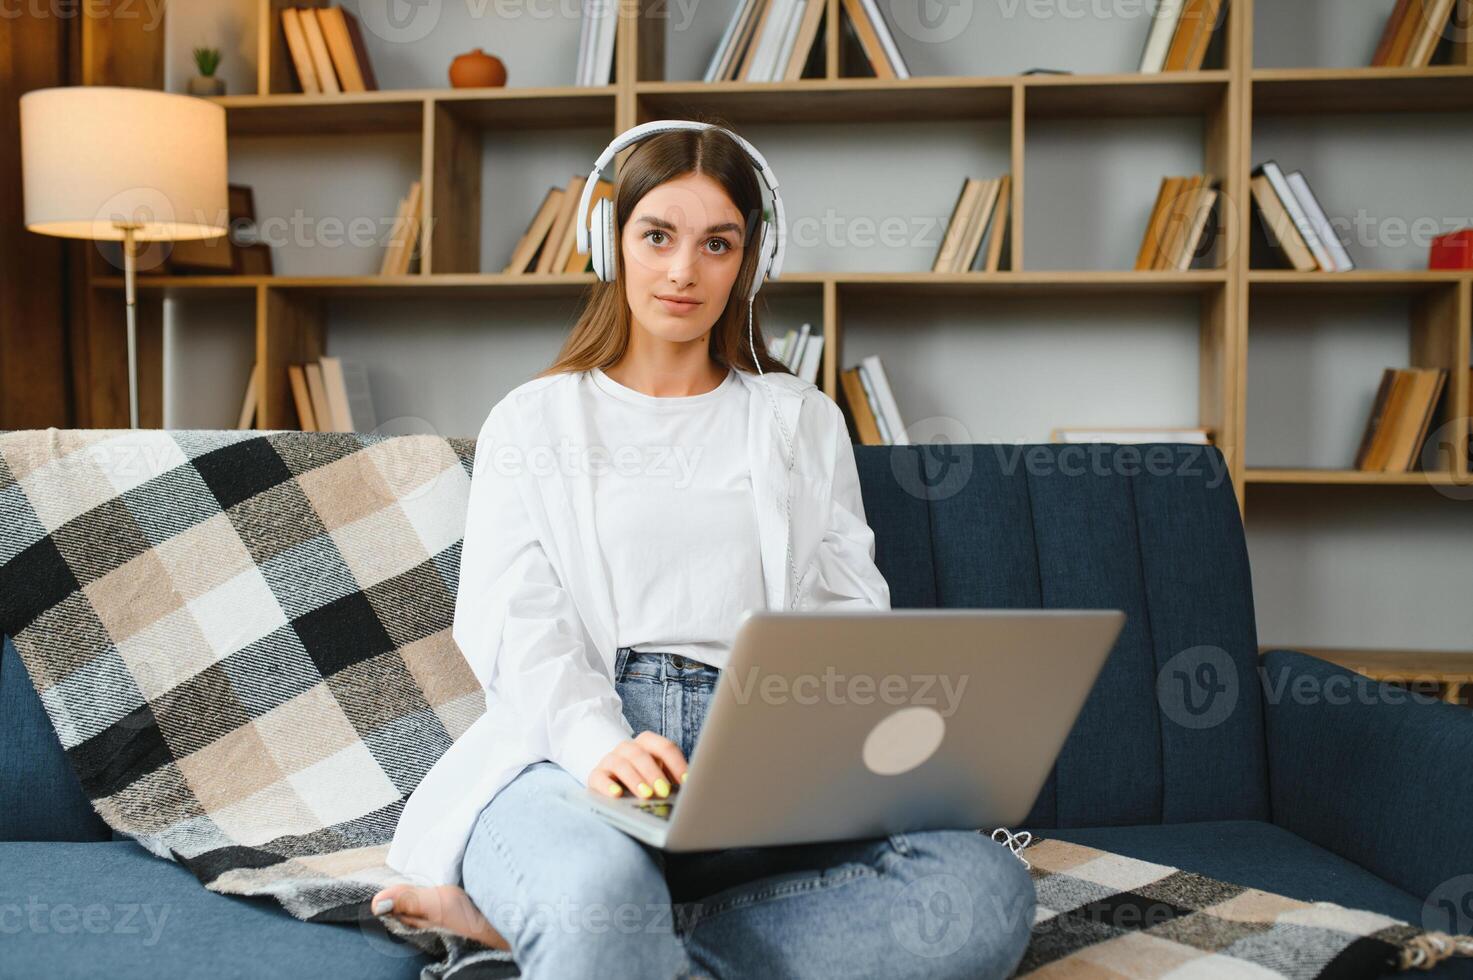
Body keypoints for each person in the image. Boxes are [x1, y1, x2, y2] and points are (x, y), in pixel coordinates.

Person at [371, 119, 1037, 979]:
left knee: (982, 890)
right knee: (596, 891)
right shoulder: (534, 420)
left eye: (716, 243)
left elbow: (847, 615)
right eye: (657, 236)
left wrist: (823, 748)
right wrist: (597, 745)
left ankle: (600, 948)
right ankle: (596, 931)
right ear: (611, 246)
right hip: (573, 750)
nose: (683, 271)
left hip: (761, 757)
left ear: (749, 262)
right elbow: (513, 622)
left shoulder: (800, 419)